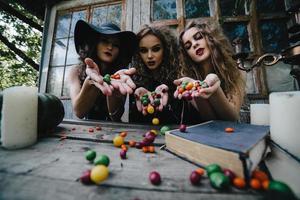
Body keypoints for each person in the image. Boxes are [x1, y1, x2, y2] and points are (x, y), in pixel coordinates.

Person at [174, 19, 245, 122]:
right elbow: (210, 121)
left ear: (211, 38)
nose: (194, 44)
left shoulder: (237, 72)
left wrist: (215, 89)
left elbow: (232, 119)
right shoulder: (189, 81)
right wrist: (197, 90)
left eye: (198, 37)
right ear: (187, 55)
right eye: (188, 46)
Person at [69, 20, 138, 121]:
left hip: (114, 131)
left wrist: (113, 94)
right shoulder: (76, 71)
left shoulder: (121, 76)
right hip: (87, 129)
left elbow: (116, 116)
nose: (110, 47)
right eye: (105, 41)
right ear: (95, 43)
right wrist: (91, 82)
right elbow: (79, 112)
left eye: (116, 45)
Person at [129, 25, 181, 124]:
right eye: (143, 50)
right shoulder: (134, 80)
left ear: (166, 49)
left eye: (156, 49)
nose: (149, 56)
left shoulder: (178, 78)